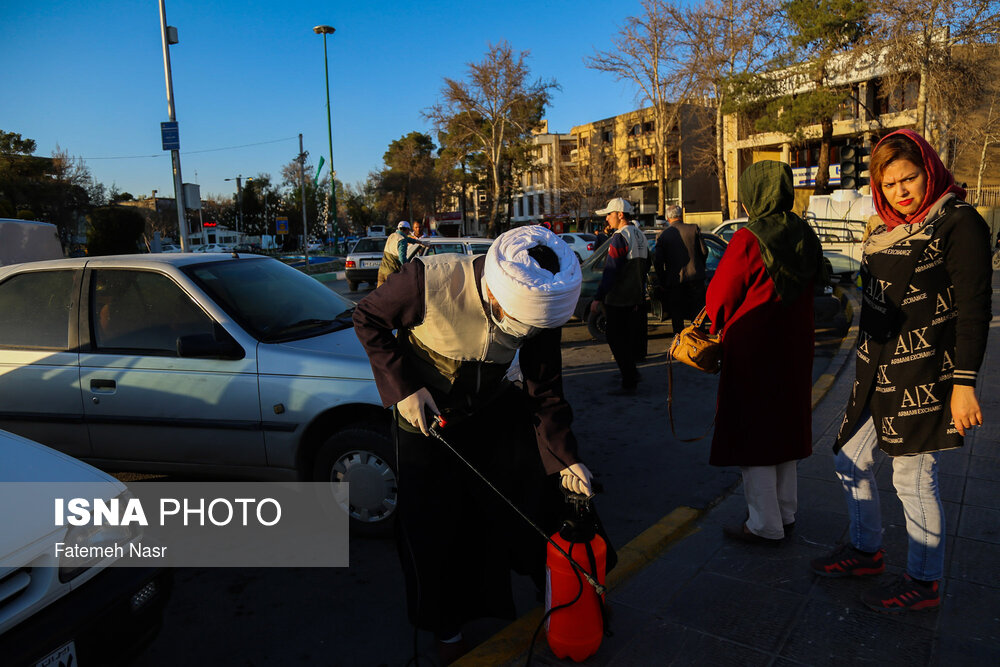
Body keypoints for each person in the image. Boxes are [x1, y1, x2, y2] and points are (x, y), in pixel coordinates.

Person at [353, 226, 593, 664]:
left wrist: (566, 459)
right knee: (431, 528)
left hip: (488, 408)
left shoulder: (545, 300)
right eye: (518, 326)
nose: (522, 336)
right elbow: (366, 318)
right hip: (425, 415)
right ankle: (445, 630)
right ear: (496, 294)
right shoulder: (427, 279)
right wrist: (404, 388)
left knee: (532, 498)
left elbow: (546, 392)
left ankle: (556, 592)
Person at [810, 129, 991, 613]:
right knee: (849, 457)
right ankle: (867, 550)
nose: (901, 192)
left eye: (909, 178)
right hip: (877, 371)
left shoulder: (959, 223)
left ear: (928, 170)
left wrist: (965, 385)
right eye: (889, 184)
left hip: (929, 373)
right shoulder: (889, 226)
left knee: (913, 476)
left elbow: (974, 309)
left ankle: (923, 580)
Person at [705, 160, 824, 545]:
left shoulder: (747, 239)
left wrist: (713, 324)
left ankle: (764, 524)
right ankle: (786, 512)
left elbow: (720, 298)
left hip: (755, 351)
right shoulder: (805, 232)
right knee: (785, 428)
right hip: (795, 348)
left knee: (753, 432)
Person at [590, 198, 649, 395]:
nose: (607, 218)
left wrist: (598, 297)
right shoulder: (639, 235)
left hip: (619, 298)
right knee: (626, 337)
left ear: (620, 215)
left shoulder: (619, 237)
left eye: (609, 214)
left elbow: (611, 271)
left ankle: (629, 379)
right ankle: (630, 373)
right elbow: (648, 264)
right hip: (635, 296)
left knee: (615, 338)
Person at [654, 204, 707, 335]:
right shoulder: (693, 229)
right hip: (695, 277)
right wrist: (699, 266)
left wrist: (662, 280)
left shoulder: (663, 235)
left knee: (677, 316)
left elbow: (658, 261)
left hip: (674, 280)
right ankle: (699, 341)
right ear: (681, 215)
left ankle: (679, 343)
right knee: (698, 313)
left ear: (667, 217)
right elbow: (704, 251)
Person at [377, 221, 425, 287]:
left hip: (382, 271)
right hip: (392, 273)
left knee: (379, 294)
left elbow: (407, 238)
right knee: (393, 295)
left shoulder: (392, 235)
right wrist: (408, 268)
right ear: (407, 229)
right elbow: (402, 259)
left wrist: (418, 242)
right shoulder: (402, 240)